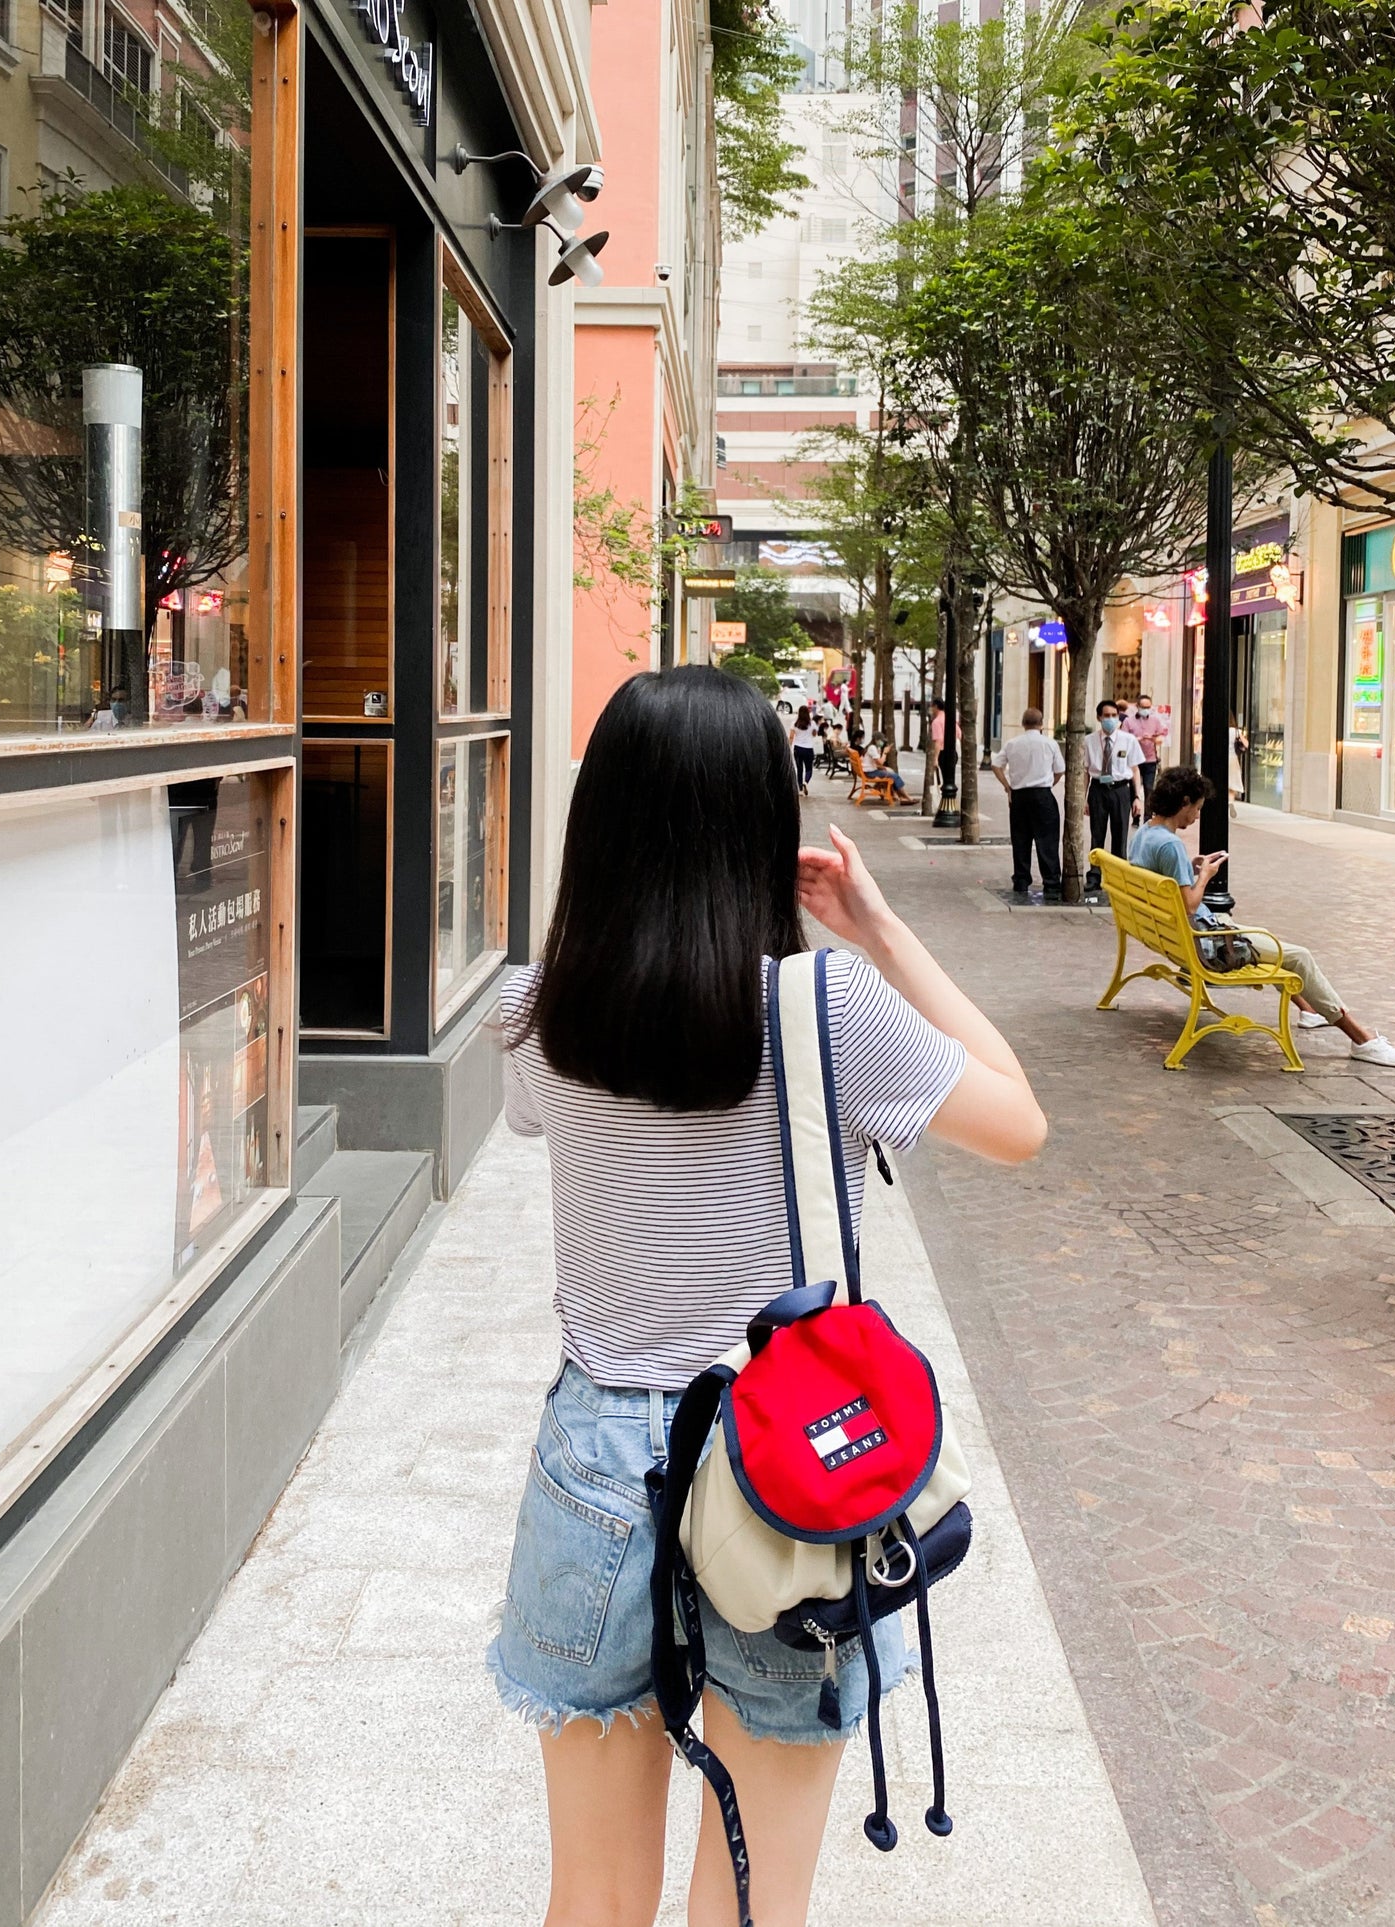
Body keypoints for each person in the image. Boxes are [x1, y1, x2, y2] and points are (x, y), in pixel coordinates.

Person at [492, 665, 1046, 1927]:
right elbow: (1019, 1119)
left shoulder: (537, 1010)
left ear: (603, 823)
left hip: (594, 1460)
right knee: (753, 1894)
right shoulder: (826, 1009)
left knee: (588, 1890)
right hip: (784, 1470)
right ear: (763, 815)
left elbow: (543, 1122)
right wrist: (882, 930)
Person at [1130, 767, 1395, 1068]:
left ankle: (1309, 1010)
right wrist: (1206, 876)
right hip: (1204, 941)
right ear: (1184, 802)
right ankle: (1363, 1040)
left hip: (1175, 934)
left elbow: (1165, 880)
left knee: (1273, 945)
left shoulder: (1145, 833)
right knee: (1299, 957)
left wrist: (1191, 867)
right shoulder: (1170, 844)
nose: (1198, 816)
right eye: (1198, 808)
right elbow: (1190, 904)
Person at [990, 707, 1065, 901]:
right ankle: (1051, 882)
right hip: (1043, 795)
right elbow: (1059, 770)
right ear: (1041, 724)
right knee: (1047, 840)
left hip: (1020, 796)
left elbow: (996, 765)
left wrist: (1007, 787)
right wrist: (1049, 783)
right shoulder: (1050, 744)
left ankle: (1021, 880)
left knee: (1021, 839)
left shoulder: (1012, 743)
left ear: (1023, 723)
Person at [1084, 699, 1145, 897]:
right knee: (1097, 834)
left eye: (1114, 715)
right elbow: (1085, 771)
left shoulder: (1128, 740)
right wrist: (1084, 798)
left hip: (1121, 789)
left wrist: (1137, 797)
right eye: (1106, 716)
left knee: (1120, 835)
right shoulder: (1089, 741)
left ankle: (1119, 878)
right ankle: (1094, 875)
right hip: (1098, 789)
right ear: (1099, 718)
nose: (1110, 719)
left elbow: (1135, 770)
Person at [1122, 694, 1168, 804]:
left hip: (1150, 759)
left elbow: (1161, 738)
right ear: (1137, 706)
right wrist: (1136, 739)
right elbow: (1123, 739)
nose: (1146, 710)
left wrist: (1152, 739)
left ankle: (1147, 817)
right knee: (1134, 789)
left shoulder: (1155, 721)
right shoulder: (1128, 721)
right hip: (1133, 761)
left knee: (1149, 788)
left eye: (1148, 707)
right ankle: (1136, 817)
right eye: (1143, 707)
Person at [863, 733, 916, 803]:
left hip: (870, 771)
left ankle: (900, 796)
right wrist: (885, 753)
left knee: (891, 773)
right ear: (876, 740)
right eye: (881, 741)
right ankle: (907, 797)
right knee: (894, 776)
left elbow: (876, 763)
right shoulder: (872, 748)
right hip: (870, 773)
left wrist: (884, 767)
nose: (882, 743)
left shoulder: (873, 747)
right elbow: (880, 762)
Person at [791, 704, 817, 796]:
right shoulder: (812, 723)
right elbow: (814, 734)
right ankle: (806, 782)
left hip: (798, 749)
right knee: (809, 768)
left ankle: (801, 789)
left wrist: (789, 747)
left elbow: (791, 737)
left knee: (799, 769)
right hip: (808, 749)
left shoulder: (794, 723)